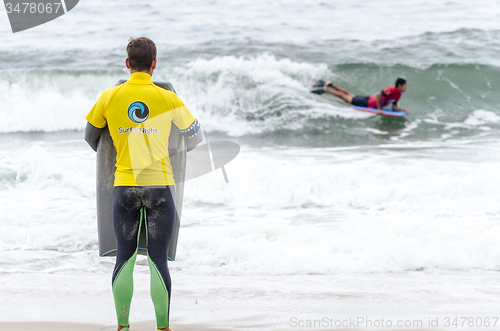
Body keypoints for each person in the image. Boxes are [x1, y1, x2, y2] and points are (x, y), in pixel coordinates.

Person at [85, 37, 203, 331]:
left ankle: (123, 326)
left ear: (128, 64)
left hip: (124, 187)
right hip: (160, 189)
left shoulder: (109, 97)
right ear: (154, 64)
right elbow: (195, 136)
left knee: (123, 259)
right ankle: (163, 327)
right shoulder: (168, 98)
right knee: (157, 260)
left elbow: (91, 137)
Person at [313, 78, 409, 115]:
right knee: (346, 98)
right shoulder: (392, 90)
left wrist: (402, 110)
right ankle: (326, 90)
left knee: (349, 94)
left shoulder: (399, 94)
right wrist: (379, 109)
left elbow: (394, 106)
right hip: (369, 103)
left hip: (370, 100)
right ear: (399, 85)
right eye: (405, 85)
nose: (406, 87)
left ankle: (330, 85)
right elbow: (379, 94)